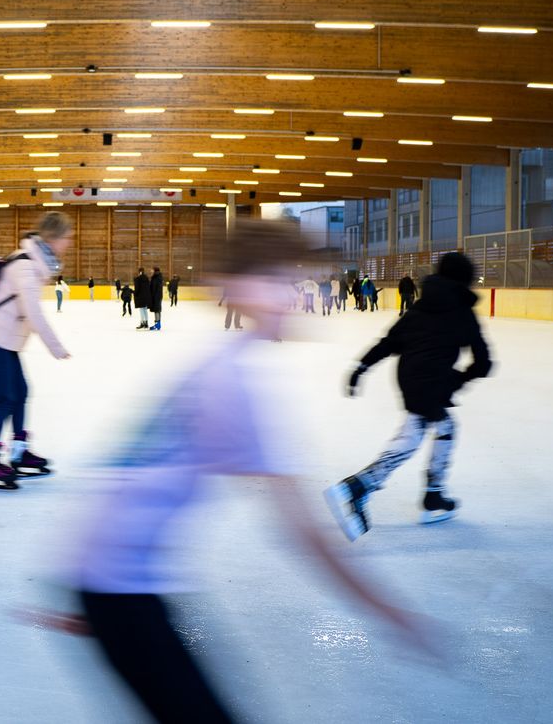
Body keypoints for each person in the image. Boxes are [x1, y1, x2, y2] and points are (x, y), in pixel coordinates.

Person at [61, 220, 435, 724]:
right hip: (119, 589)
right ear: (230, 285)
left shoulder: (219, 363)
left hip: (115, 582)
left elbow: (127, 471)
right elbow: (302, 531)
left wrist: (85, 581)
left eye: (292, 280)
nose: (288, 297)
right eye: (272, 280)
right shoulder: (232, 383)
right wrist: (388, 610)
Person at [325, 252, 492, 540]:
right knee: (413, 437)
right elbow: (484, 362)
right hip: (433, 383)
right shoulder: (463, 313)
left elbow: (389, 343)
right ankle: (359, 486)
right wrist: (460, 378)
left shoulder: (420, 307)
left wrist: (360, 367)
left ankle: (433, 495)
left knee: (444, 428)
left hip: (410, 379)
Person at [0, 213, 73, 490]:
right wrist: (55, 346)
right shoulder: (27, 266)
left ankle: (18, 451)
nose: (69, 243)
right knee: (6, 398)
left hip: (6, 341)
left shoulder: (36, 262)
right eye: (67, 238)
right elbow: (33, 312)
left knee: (21, 392)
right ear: (53, 238)